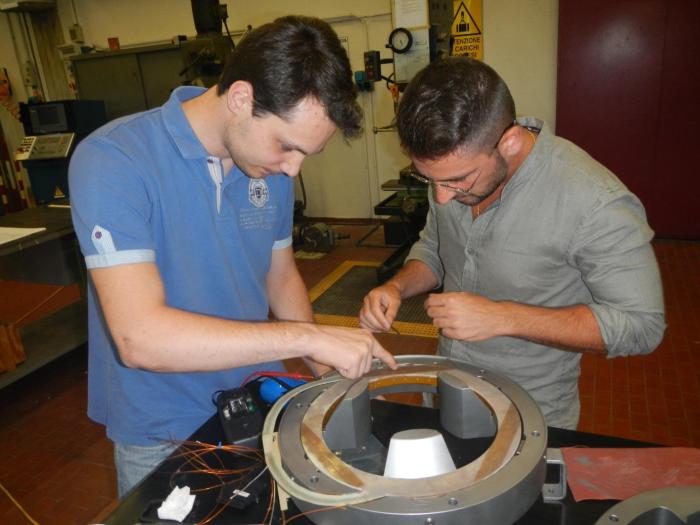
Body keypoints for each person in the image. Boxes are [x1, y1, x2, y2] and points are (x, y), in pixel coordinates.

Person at [69, 15, 396, 497]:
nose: (292, 170)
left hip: (252, 406)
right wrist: (308, 336)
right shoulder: (115, 161)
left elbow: (279, 276)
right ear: (241, 98)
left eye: (306, 154)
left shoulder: (269, 169)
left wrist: (324, 372)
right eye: (287, 146)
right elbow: (140, 338)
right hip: (161, 426)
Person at [359, 57, 665, 430]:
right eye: (428, 180)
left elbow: (641, 325)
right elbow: (435, 248)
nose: (441, 198)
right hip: (445, 391)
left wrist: (502, 317)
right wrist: (395, 286)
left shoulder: (593, 200)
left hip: (528, 415)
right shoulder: (450, 181)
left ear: (510, 141)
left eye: (458, 180)